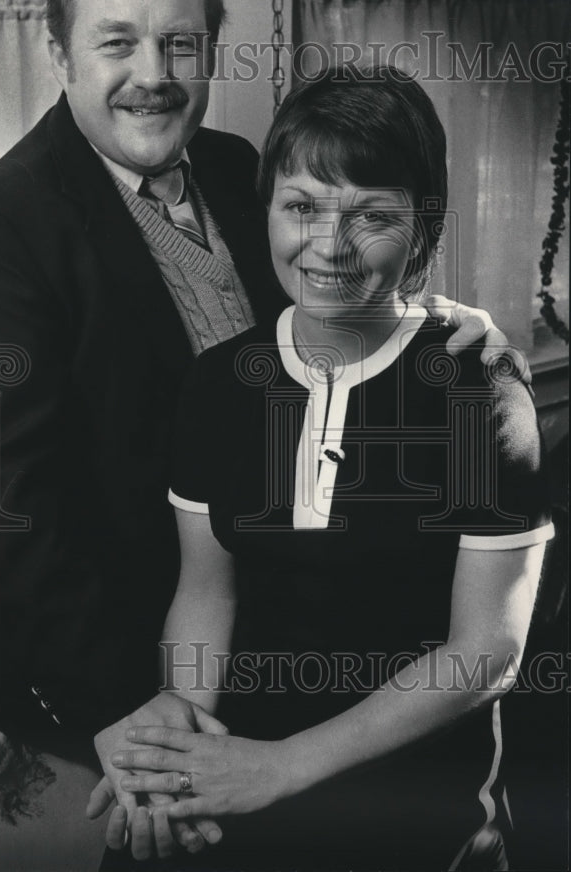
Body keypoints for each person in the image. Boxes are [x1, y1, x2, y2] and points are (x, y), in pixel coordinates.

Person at [0, 0, 526, 862]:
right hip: (121, 686)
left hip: (283, 681)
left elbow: (342, 272)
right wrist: (135, 720)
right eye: (117, 41)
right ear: (60, 53)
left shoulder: (249, 172)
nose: (152, 72)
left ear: (208, 51)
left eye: (180, 43)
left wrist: (436, 326)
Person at [102, 68, 553, 870]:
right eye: (301, 206)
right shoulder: (216, 386)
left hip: (416, 808)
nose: (328, 246)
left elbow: (488, 649)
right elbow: (209, 590)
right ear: (266, 207)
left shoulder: (479, 388)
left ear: (424, 226)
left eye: (373, 215)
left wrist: (279, 769)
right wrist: (179, 740)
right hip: (237, 773)